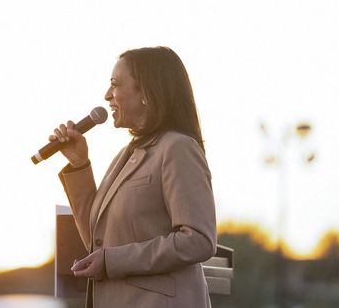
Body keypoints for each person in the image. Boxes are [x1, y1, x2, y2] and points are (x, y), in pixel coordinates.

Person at [50, 46, 217, 307]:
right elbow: (97, 241)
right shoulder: (125, 156)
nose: (107, 96)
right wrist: (79, 164)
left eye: (115, 85)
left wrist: (112, 261)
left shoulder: (177, 148)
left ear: (147, 93)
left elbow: (198, 240)